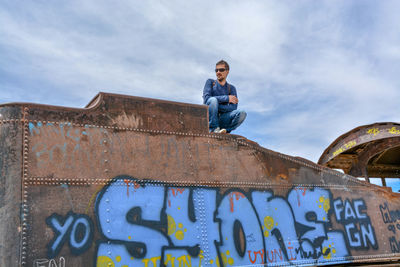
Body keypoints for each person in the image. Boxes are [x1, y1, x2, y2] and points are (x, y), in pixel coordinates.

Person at [203, 60, 246, 133]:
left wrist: (216, 107)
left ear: (227, 71)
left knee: (242, 113)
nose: (218, 72)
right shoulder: (210, 82)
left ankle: (226, 130)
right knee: (213, 100)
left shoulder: (231, 88)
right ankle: (213, 129)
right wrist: (227, 98)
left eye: (221, 70)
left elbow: (233, 107)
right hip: (210, 117)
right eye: (216, 70)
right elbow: (207, 99)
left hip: (223, 118)